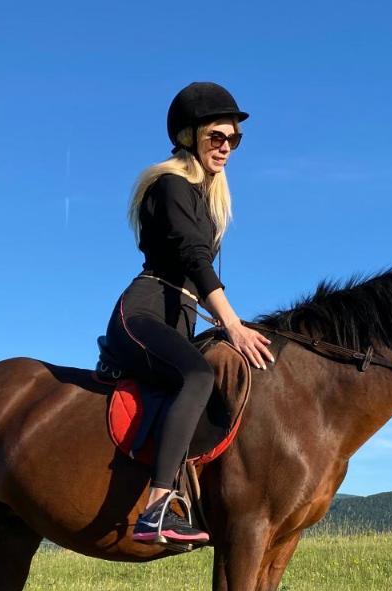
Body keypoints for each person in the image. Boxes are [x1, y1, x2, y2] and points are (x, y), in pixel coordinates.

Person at [104, 82, 274, 544]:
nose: (226, 146)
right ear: (187, 137)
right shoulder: (170, 185)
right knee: (197, 376)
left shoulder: (210, 199)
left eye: (233, 139)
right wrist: (232, 323)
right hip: (143, 313)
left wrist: (226, 321)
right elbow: (193, 259)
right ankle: (156, 509)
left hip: (182, 316)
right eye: (216, 136)